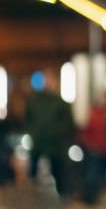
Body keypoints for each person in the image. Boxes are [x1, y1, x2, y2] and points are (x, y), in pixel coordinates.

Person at [24, 70, 75, 199]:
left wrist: (60, 135)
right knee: (34, 169)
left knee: (57, 169)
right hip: (39, 141)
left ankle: (62, 194)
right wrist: (32, 133)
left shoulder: (60, 103)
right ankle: (33, 193)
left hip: (55, 143)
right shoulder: (35, 102)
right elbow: (28, 119)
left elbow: (68, 123)